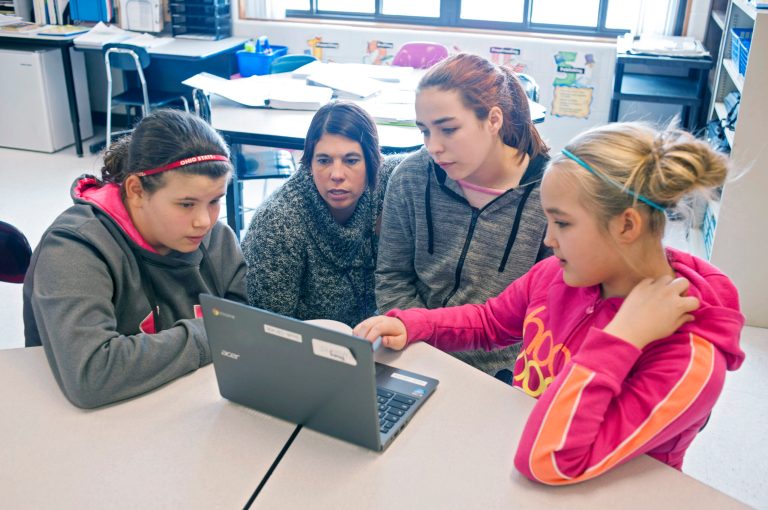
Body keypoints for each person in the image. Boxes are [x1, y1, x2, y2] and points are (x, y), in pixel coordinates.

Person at [355, 122, 745, 484]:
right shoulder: (560, 275)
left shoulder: (689, 356)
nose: (548, 240)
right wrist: (415, 324)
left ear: (626, 226)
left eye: (562, 223)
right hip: (526, 455)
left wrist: (623, 337)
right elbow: (490, 322)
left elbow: (552, 459)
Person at [24, 109, 246, 409]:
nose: (204, 222)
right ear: (136, 190)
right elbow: (92, 374)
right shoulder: (73, 247)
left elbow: (247, 327)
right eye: (186, 204)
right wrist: (210, 334)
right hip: (92, 431)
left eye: (215, 201)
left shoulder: (217, 239)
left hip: (186, 410)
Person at [375, 52, 551, 378]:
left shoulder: (551, 195)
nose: (434, 146)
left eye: (448, 129)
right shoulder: (411, 177)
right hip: (413, 350)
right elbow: (392, 276)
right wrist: (422, 340)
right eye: (425, 131)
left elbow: (545, 314)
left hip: (498, 373)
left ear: (493, 120)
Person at [241, 101, 404, 327]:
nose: (337, 174)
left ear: (373, 161)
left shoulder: (389, 183)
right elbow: (269, 328)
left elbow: (431, 161)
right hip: (305, 353)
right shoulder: (279, 223)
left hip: (379, 341)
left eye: (351, 160)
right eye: (324, 161)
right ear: (309, 162)